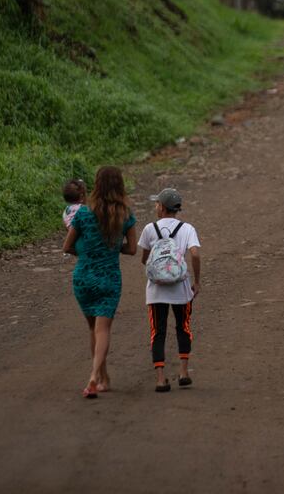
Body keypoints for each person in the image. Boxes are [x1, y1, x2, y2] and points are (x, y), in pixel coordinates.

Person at [62, 166, 137, 398]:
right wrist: (112, 249)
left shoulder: (83, 214)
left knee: (92, 329)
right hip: (109, 278)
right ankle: (96, 376)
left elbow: (67, 247)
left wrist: (88, 254)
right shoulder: (126, 215)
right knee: (102, 329)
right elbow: (132, 249)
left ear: (97, 185)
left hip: (83, 277)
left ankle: (103, 378)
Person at [137, 188, 201, 392]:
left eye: (157, 204)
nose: (156, 206)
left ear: (162, 207)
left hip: (156, 292)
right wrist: (196, 281)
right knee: (183, 327)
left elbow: (144, 259)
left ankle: (160, 379)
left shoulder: (149, 229)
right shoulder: (187, 228)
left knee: (158, 332)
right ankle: (183, 372)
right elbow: (195, 254)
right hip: (181, 289)